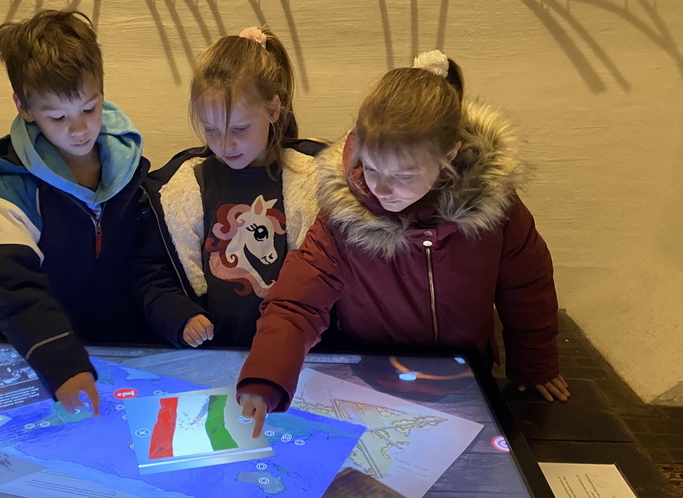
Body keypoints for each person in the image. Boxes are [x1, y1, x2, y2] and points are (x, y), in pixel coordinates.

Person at [237, 51, 570, 435]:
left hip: (464, 375)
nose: (380, 188)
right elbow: (296, 302)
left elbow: (528, 289)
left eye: (404, 175)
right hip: (370, 374)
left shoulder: (498, 209)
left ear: (449, 155)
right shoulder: (342, 218)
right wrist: (265, 378)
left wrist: (535, 366)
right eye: (372, 168)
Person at [0, 9, 150, 416]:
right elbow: (13, 289)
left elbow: (150, 265)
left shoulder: (132, 169)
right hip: (48, 356)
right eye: (57, 117)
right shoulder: (14, 191)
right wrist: (61, 362)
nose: (79, 130)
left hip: (122, 351)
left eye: (90, 109)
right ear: (24, 108)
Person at [134, 26, 326, 349]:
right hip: (211, 360)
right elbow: (151, 276)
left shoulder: (313, 181)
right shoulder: (181, 189)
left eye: (239, 128)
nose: (225, 144)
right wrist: (179, 316)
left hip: (292, 357)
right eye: (211, 129)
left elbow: (332, 280)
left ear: (273, 110)